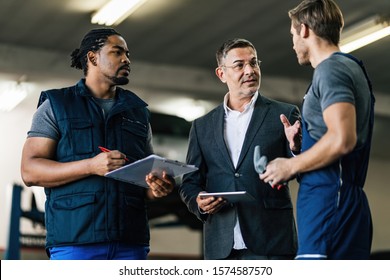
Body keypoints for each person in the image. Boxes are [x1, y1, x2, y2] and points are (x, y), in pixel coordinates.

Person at [20, 28, 175, 260]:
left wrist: (157, 188)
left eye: (128, 54)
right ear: (92, 57)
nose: (126, 59)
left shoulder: (138, 113)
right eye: (117, 52)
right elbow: (30, 171)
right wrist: (90, 166)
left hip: (130, 243)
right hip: (75, 242)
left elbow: (147, 178)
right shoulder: (56, 105)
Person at [260, 0, 374, 260]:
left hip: (330, 206)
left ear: (305, 30)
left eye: (292, 34)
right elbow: (335, 136)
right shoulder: (348, 67)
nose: (292, 43)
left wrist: (290, 165)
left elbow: (343, 139)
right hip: (341, 203)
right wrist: (301, 146)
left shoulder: (330, 70)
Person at [179, 38, 301, 260]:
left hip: (271, 240)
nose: (250, 70)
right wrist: (199, 200)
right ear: (221, 74)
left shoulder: (284, 115)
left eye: (254, 63)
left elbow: (304, 171)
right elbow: (190, 183)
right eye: (239, 65)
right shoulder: (202, 126)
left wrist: (296, 149)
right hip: (220, 245)